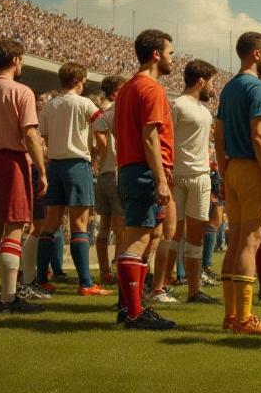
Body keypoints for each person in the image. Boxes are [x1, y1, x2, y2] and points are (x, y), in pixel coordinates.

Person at [215, 31, 261, 335]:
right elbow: (258, 136)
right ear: (256, 54)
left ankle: (231, 316)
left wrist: (223, 173)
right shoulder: (258, 87)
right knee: (250, 242)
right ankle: (244, 319)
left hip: (232, 168)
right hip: (253, 168)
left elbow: (218, 135)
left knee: (235, 242)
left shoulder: (229, 87)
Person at [113, 29, 178, 330]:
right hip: (144, 170)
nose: (172, 58)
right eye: (170, 52)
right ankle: (134, 314)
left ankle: (129, 307)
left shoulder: (127, 88)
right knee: (137, 243)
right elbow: (150, 136)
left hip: (129, 168)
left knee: (140, 238)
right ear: (156, 54)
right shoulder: (151, 89)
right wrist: (160, 178)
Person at [0, 38, 48, 315]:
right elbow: (30, 134)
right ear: (15, 60)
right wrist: (41, 170)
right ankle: (9, 298)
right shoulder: (22, 91)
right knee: (14, 230)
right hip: (11, 161)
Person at [34, 62, 108, 297]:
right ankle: (86, 283)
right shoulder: (84, 103)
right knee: (79, 226)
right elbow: (102, 125)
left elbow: (44, 136)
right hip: (77, 164)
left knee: (50, 224)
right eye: (84, 81)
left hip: (54, 164)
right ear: (78, 80)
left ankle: (42, 279)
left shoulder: (50, 105)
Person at [168, 59, 221, 305]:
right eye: (212, 82)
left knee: (196, 237)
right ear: (201, 81)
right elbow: (165, 138)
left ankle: (194, 290)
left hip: (201, 177)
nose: (213, 88)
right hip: (177, 177)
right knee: (173, 233)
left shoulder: (205, 111)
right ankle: (164, 287)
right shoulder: (177, 105)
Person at [91, 75, 127, 290]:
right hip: (116, 173)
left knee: (104, 227)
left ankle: (105, 272)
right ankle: (119, 269)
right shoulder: (118, 112)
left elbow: (97, 146)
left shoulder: (100, 114)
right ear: (115, 92)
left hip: (103, 174)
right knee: (121, 228)